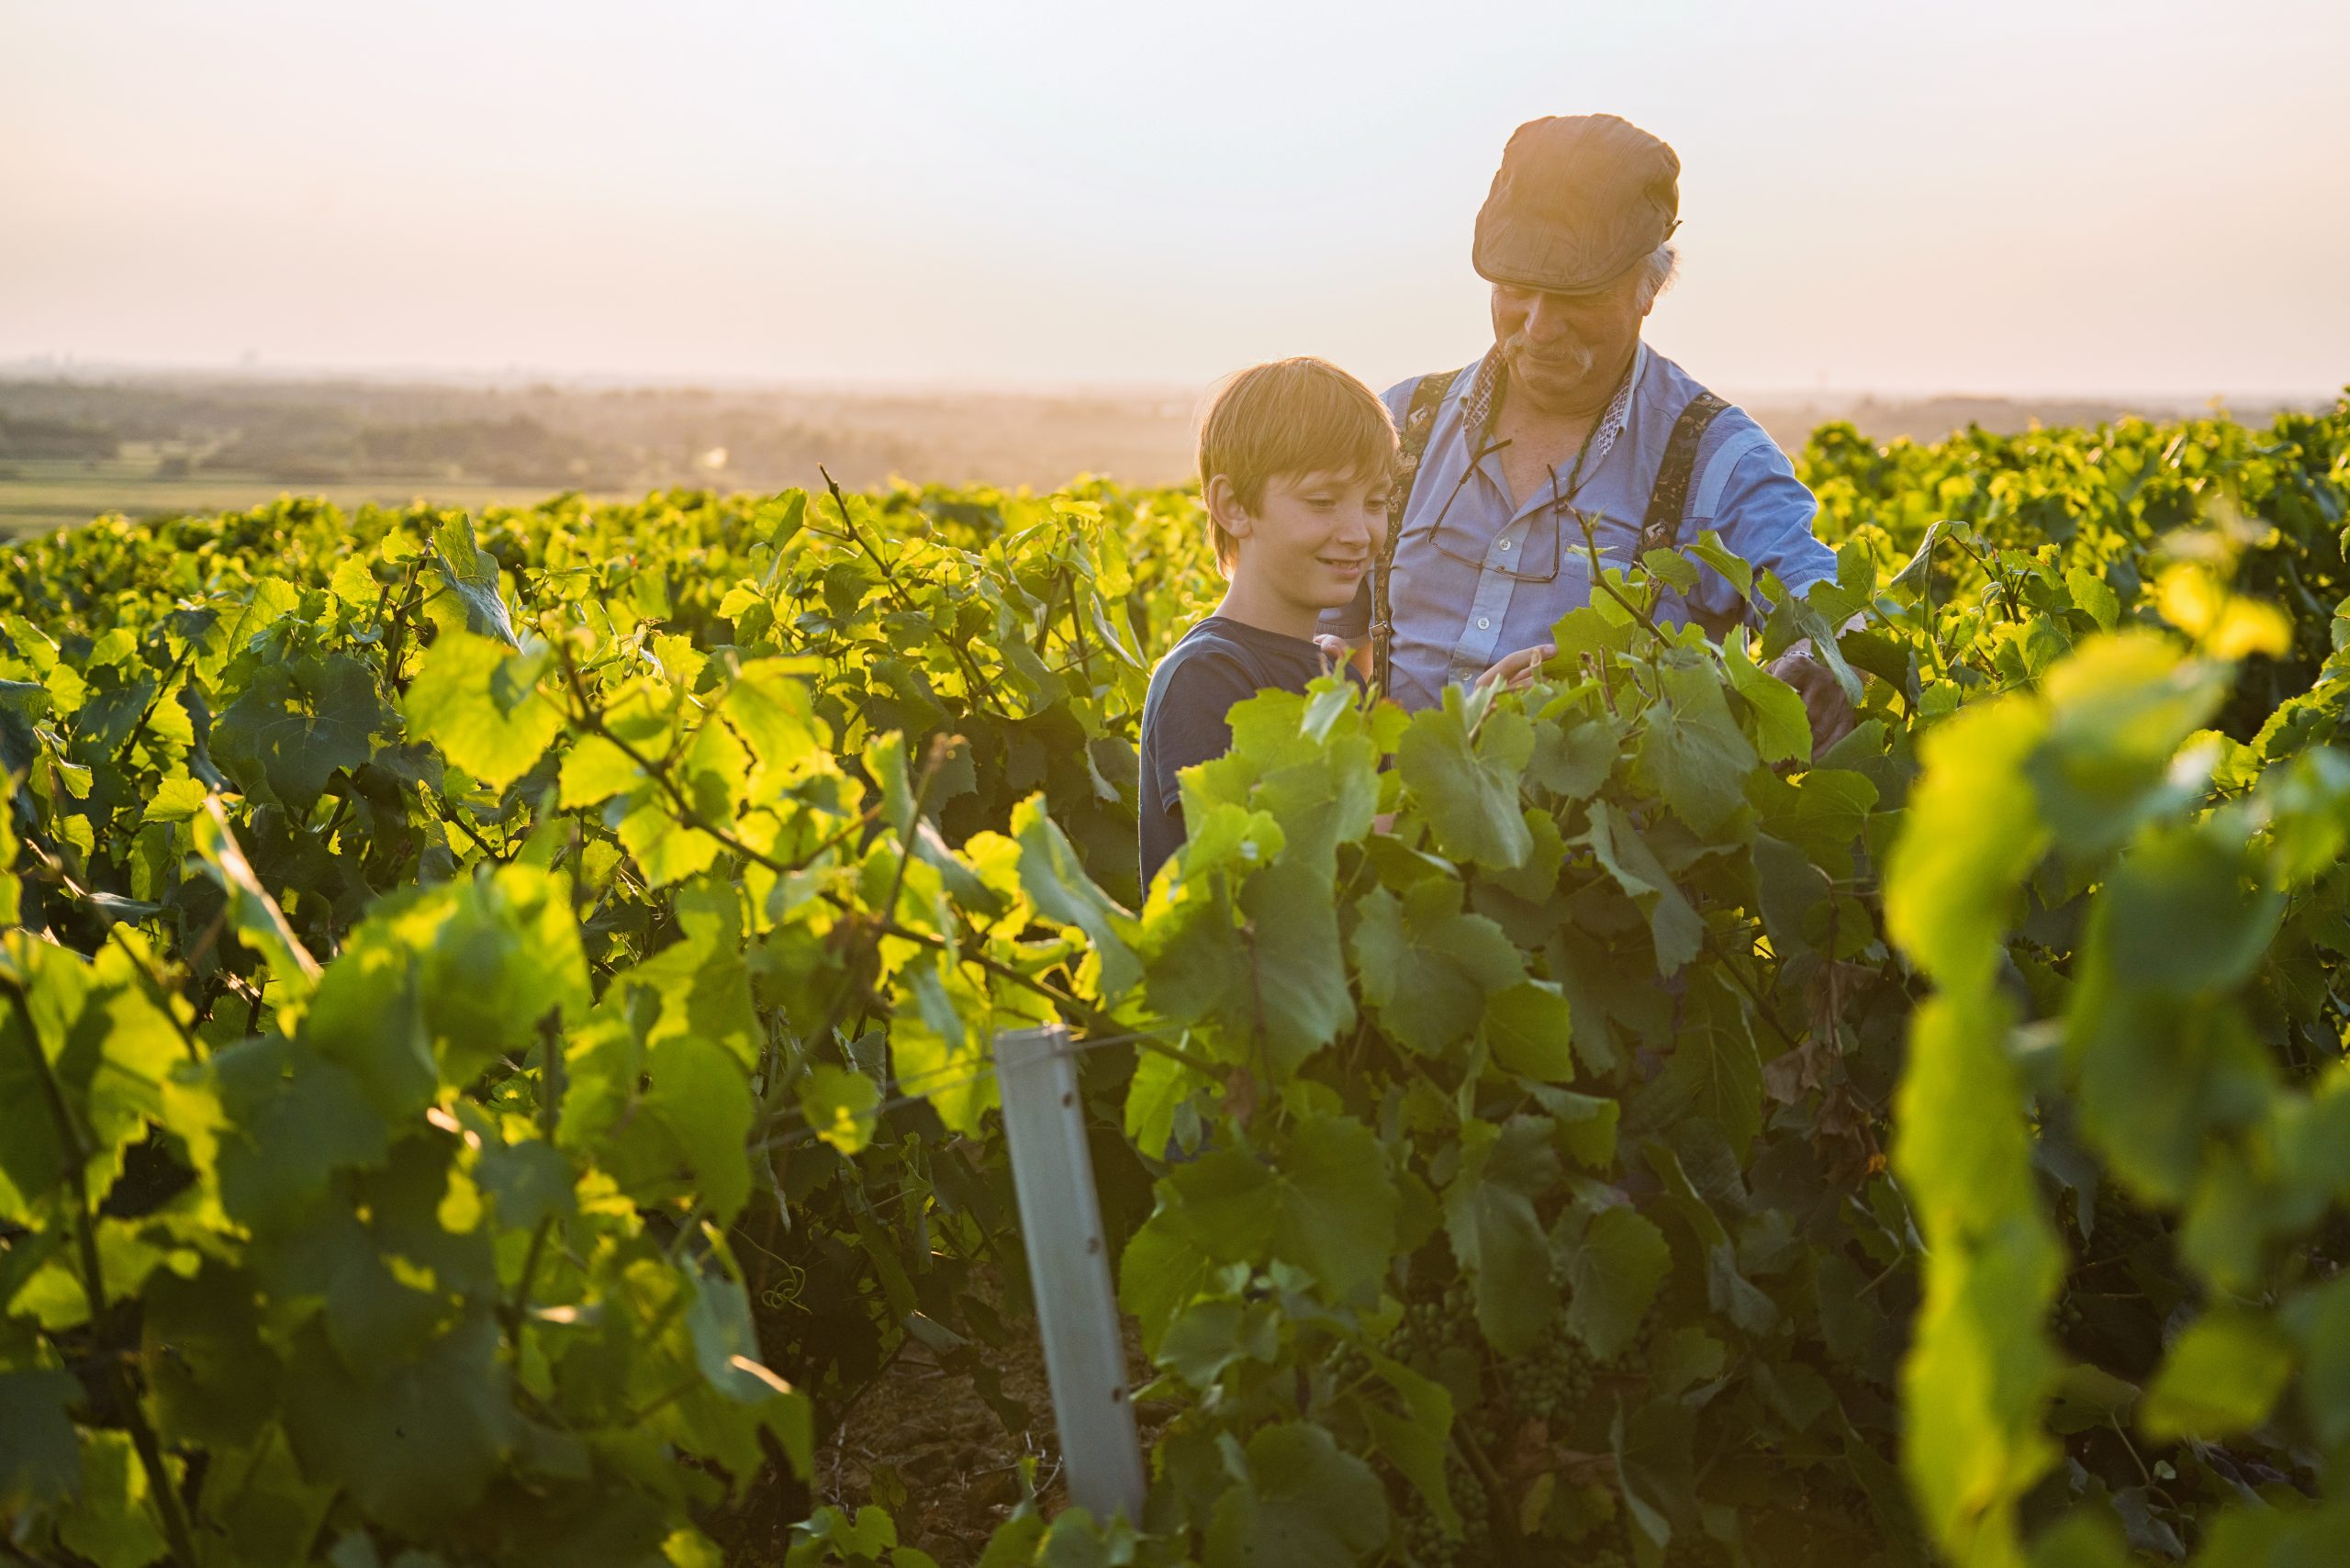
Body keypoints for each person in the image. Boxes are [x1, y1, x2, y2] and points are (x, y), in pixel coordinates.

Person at [1326, 113, 1858, 746]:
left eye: (1576, 296)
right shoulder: (1399, 426)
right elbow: (1317, 625)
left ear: (1649, 288)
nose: (1539, 326)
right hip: (1384, 832)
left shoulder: (1719, 463)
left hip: (1596, 841)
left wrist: (1812, 658)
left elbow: (1829, 615)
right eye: (1518, 289)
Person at [1136, 358, 1392, 888]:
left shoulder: (1339, 679)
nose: (1358, 532)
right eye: (1323, 502)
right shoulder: (1205, 677)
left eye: (1375, 502)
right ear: (1233, 506)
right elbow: (1258, 887)